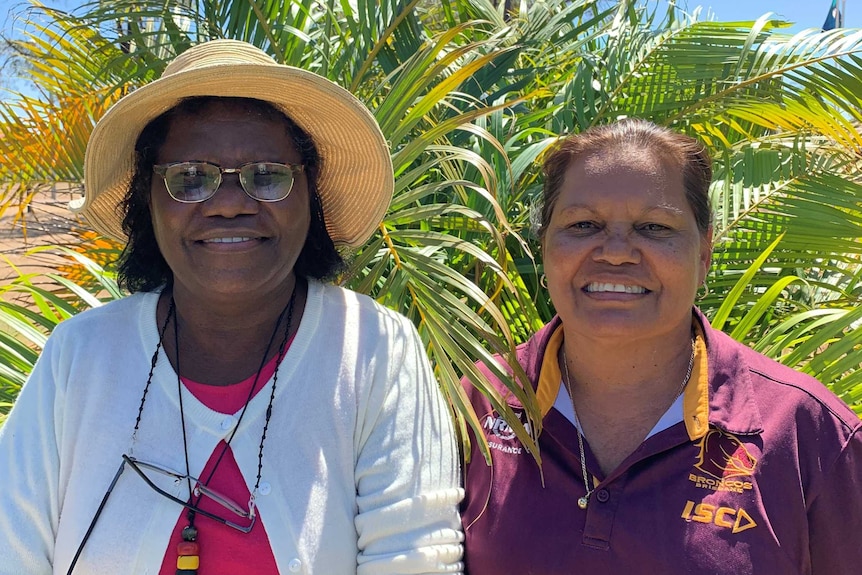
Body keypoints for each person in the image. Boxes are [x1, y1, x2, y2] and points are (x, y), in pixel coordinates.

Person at [0, 39, 463, 574]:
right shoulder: (78, 357)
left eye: (267, 175)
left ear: (309, 195)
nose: (228, 204)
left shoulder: (374, 350)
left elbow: (414, 560)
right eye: (189, 178)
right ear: (146, 202)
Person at [460, 119, 862, 574]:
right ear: (545, 245)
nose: (615, 252)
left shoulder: (806, 433)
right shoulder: (478, 401)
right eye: (584, 224)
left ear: (704, 251)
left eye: (653, 227)